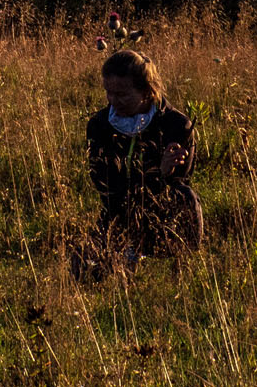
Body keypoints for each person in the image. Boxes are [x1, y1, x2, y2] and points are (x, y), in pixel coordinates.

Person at [77, 49, 203, 276]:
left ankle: (182, 265)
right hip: (118, 214)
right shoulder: (99, 125)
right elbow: (107, 189)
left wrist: (163, 175)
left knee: (186, 196)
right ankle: (123, 257)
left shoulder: (177, 125)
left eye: (122, 94)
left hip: (162, 215)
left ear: (147, 91)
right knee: (82, 270)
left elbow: (175, 184)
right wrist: (158, 172)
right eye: (109, 93)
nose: (114, 101)